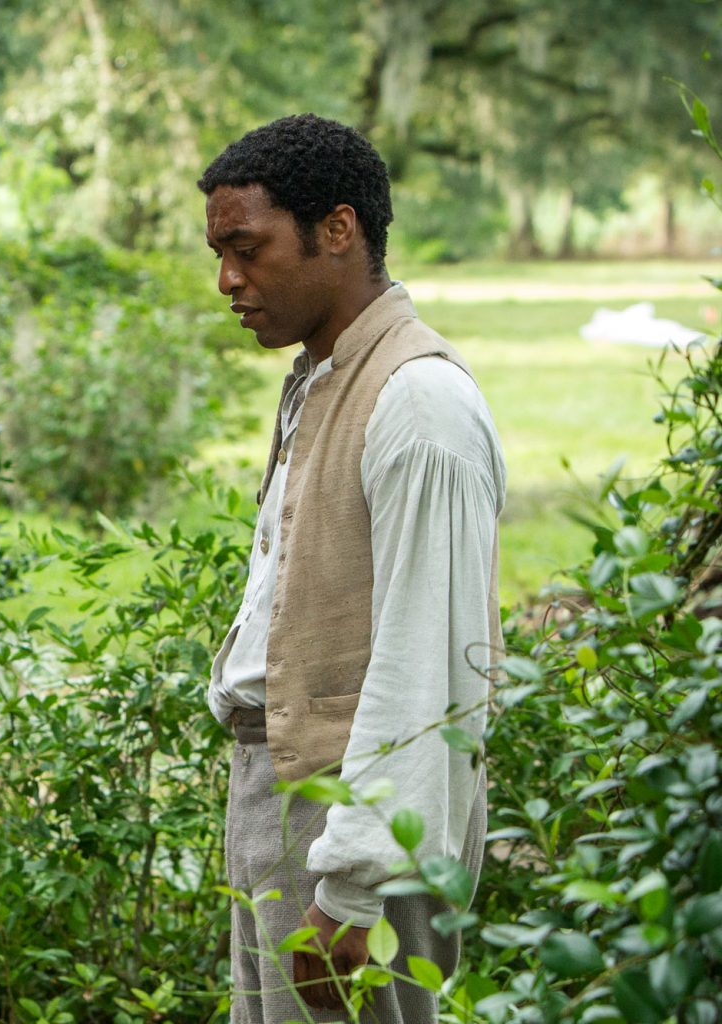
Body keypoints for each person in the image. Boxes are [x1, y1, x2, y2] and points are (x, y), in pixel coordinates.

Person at [198, 114, 504, 1022]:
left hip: (355, 832)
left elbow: (430, 667)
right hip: (290, 801)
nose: (227, 281)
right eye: (219, 254)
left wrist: (355, 888)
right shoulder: (324, 376)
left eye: (247, 249)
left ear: (338, 230)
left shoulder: (418, 403)